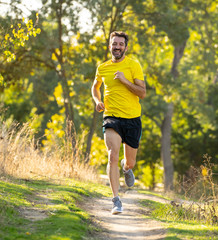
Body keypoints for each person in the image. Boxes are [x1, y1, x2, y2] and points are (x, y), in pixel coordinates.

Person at [91, 31, 146, 214]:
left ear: (125, 47)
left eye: (121, 44)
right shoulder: (103, 67)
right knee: (112, 155)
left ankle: (126, 168)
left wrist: (124, 80)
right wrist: (97, 100)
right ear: (110, 46)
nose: (117, 47)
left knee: (129, 162)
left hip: (132, 118)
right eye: (114, 44)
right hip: (111, 117)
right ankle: (116, 200)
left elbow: (142, 92)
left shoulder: (133, 65)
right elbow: (95, 87)